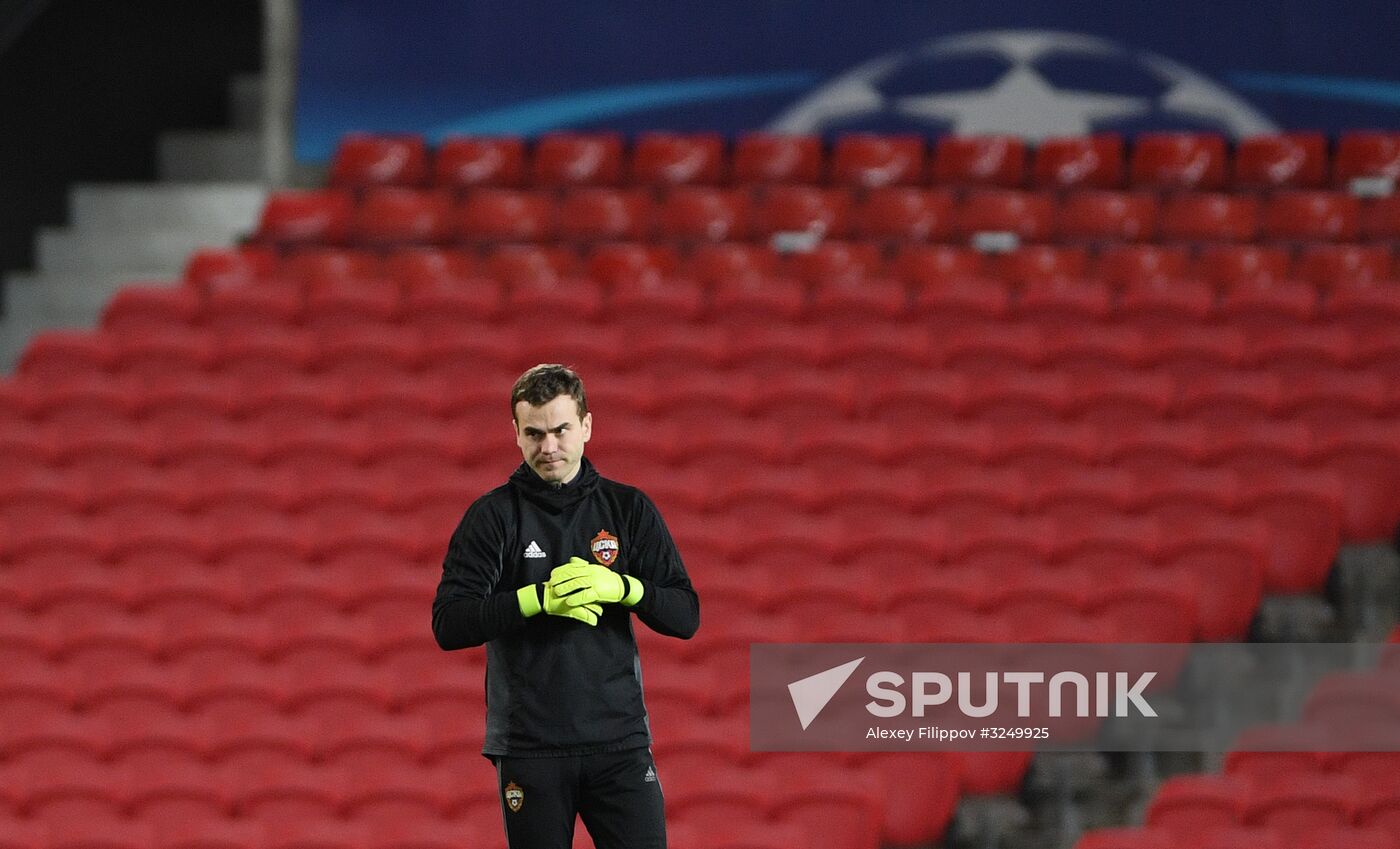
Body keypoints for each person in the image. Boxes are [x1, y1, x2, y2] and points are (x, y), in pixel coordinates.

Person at [432, 363, 700, 849]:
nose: (549, 446)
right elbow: (449, 623)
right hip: (530, 748)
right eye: (534, 433)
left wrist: (623, 589)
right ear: (515, 433)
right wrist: (539, 599)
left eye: (561, 430)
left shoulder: (628, 508)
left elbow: (686, 615)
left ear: (587, 426)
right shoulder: (493, 516)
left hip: (618, 743)